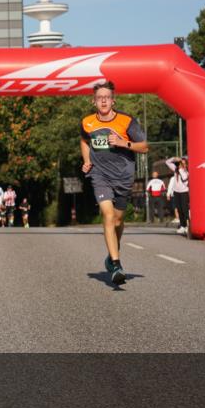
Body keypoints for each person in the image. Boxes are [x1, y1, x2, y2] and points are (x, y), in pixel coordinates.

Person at [80, 80, 148, 285]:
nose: (103, 101)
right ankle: (116, 265)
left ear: (113, 101)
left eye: (107, 98)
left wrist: (122, 142)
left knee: (118, 220)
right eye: (99, 98)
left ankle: (111, 255)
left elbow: (144, 147)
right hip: (100, 175)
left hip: (123, 177)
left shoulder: (126, 121)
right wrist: (87, 161)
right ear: (93, 101)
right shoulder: (87, 122)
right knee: (108, 215)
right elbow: (84, 140)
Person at [166, 157, 190, 236]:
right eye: (180, 163)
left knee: (184, 209)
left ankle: (188, 226)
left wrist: (180, 169)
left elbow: (185, 179)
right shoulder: (176, 169)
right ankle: (182, 226)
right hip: (176, 192)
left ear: (186, 164)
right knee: (179, 209)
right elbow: (167, 162)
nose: (181, 164)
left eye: (183, 163)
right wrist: (174, 158)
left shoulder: (186, 171)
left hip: (184, 192)